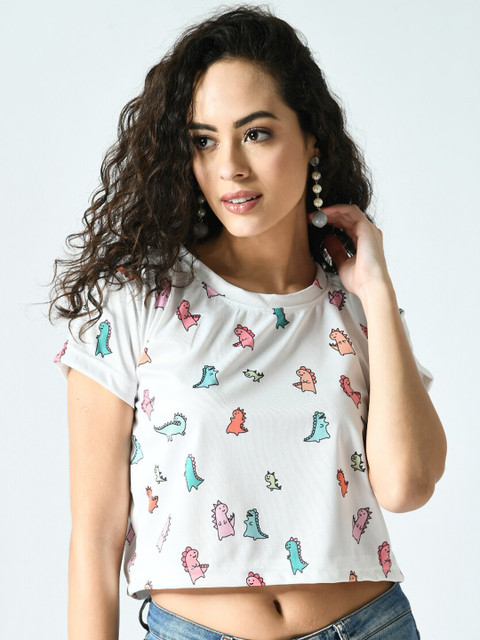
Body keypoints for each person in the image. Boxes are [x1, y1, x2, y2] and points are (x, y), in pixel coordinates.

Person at [49, 5, 447, 640]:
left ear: (312, 139)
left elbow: (407, 486)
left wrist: (377, 289)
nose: (229, 166)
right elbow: (95, 541)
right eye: (204, 140)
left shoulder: (358, 306)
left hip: (370, 625)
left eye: (256, 133)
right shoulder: (137, 300)